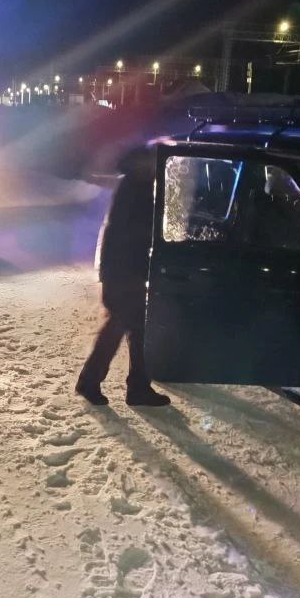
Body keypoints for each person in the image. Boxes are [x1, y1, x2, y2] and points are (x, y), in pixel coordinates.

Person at [76, 146, 170, 407]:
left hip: (124, 270)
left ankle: (136, 387)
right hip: (124, 271)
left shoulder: (135, 184)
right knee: (119, 326)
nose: (157, 167)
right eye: (152, 161)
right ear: (142, 163)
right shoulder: (137, 188)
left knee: (134, 328)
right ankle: (93, 381)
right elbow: (134, 232)